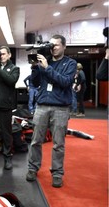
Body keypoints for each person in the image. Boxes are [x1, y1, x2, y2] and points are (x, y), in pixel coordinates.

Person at [26, 34, 76, 188]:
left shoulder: (70, 63)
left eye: (56, 45)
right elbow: (34, 83)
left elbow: (65, 82)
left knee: (58, 144)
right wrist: (35, 68)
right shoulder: (43, 62)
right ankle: (32, 168)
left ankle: (57, 173)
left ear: (64, 46)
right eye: (51, 45)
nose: (53, 47)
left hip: (61, 108)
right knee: (35, 141)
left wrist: (47, 68)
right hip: (42, 106)